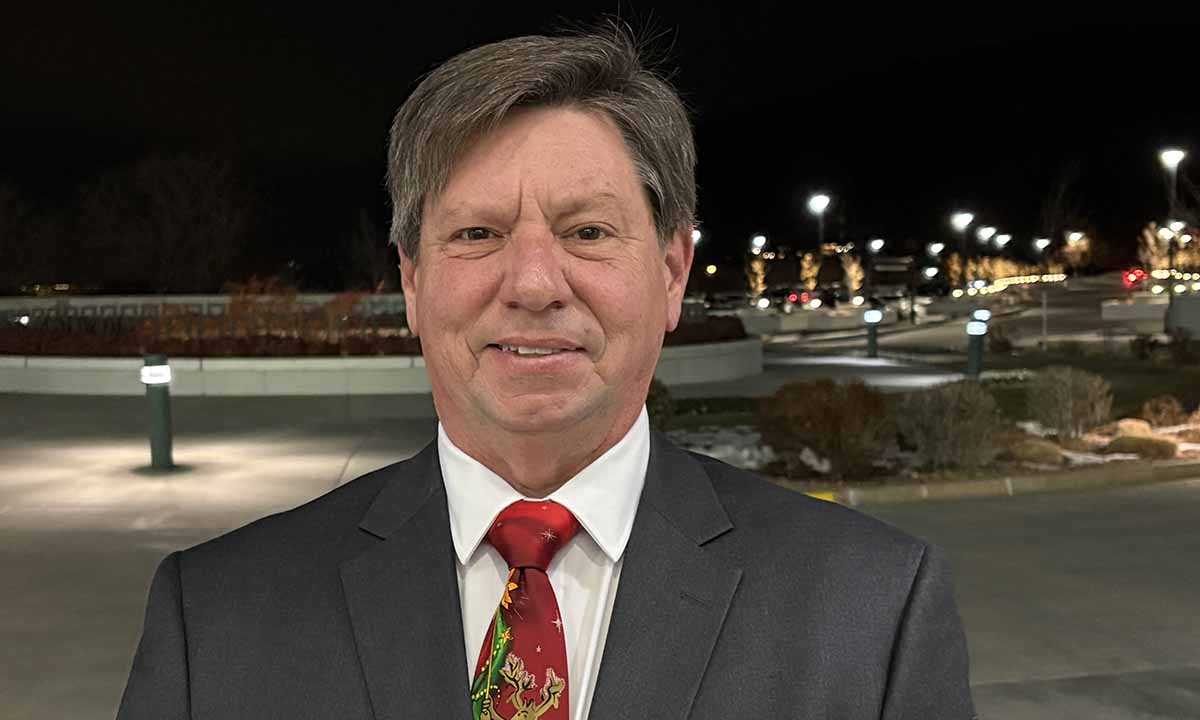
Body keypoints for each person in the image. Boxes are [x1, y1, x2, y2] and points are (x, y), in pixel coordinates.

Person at [117, 21, 975, 719]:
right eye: (478, 234)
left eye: (588, 232)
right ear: (413, 281)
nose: (532, 285)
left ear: (672, 272)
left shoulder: (874, 610)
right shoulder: (216, 618)